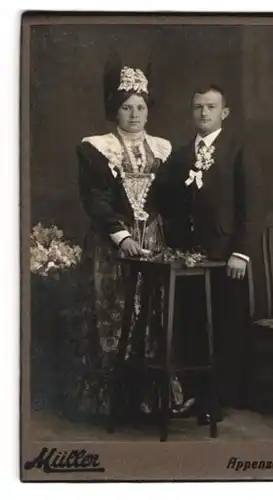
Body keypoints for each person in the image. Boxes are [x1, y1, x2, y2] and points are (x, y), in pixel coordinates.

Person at [75, 60, 186, 422]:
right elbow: (95, 198)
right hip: (112, 244)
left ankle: (151, 400)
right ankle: (110, 404)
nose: (134, 114)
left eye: (140, 107)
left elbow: (170, 200)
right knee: (113, 312)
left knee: (151, 315)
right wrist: (120, 235)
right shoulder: (95, 148)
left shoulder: (164, 148)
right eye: (127, 107)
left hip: (153, 240)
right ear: (115, 110)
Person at [156, 83, 261, 423]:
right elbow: (167, 201)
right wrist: (172, 242)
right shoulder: (181, 154)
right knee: (192, 325)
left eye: (211, 107)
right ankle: (195, 395)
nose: (204, 112)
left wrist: (241, 254)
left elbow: (251, 206)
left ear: (224, 113)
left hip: (224, 256)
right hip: (188, 257)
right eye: (198, 106)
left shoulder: (238, 149)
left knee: (223, 326)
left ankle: (218, 400)